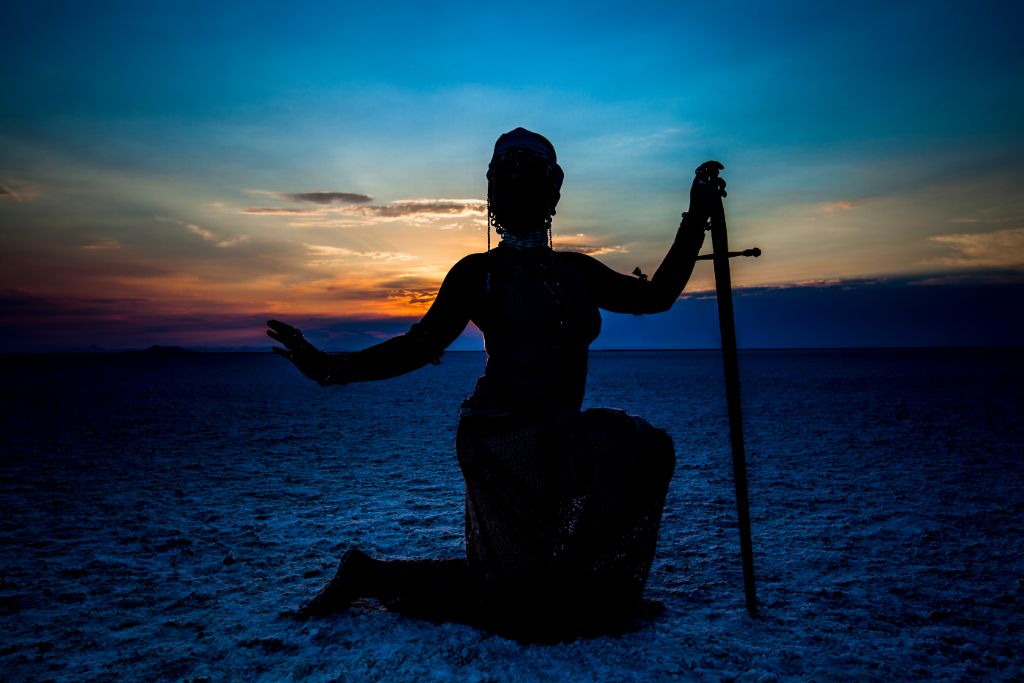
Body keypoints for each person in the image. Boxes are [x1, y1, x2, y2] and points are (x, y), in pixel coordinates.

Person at [268, 127, 725, 640]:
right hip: (504, 442)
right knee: (516, 602)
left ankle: (597, 592)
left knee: (642, 454)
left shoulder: (576, 272)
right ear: (490, 197)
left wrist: (697, 218)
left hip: (560, 434)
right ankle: (368, 574)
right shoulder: (477, 275)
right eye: (502, 183)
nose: (513, 193)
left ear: (553, 192)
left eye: (526, 181)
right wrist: (330, 368)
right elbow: (416, 347)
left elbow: (656, 295)